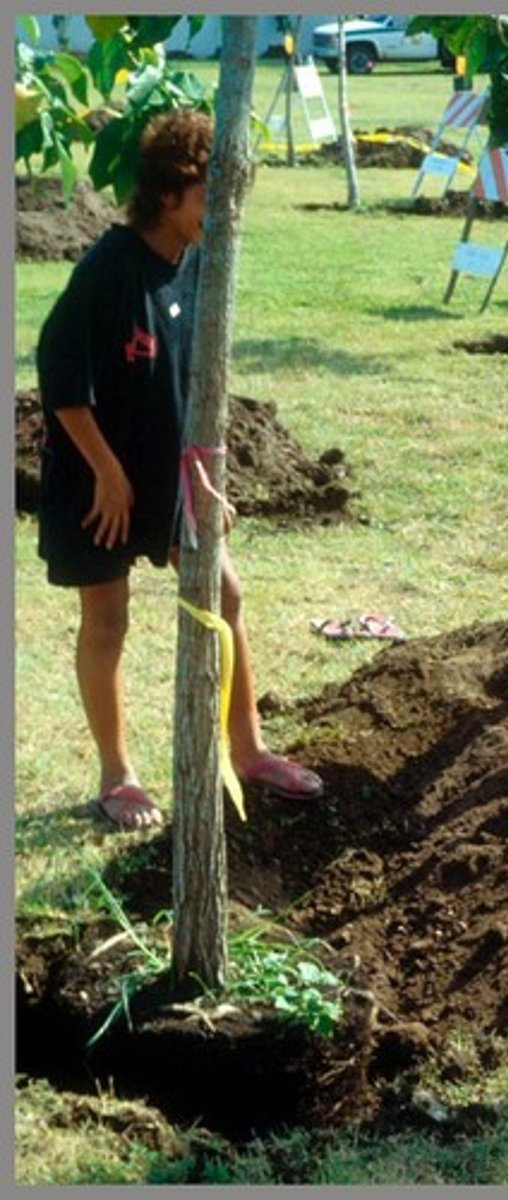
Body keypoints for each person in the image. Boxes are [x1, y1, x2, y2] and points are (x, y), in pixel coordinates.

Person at [36, 107, 325, 831]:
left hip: (169, 475)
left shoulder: (199, 266)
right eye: (210, 199)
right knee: (108, 620)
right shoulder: (108, 270)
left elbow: (195, 382)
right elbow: (61, 381)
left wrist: (203, 475)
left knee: (225, 592)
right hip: (94, 474)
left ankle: (250, 749)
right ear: (168, 194)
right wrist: (106, 471)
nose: (224, 215)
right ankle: (117, 776)